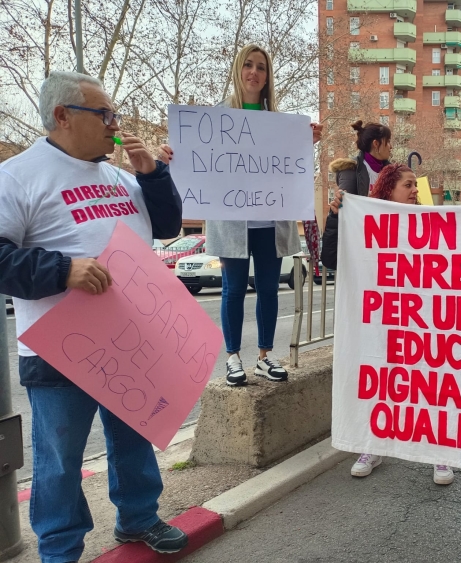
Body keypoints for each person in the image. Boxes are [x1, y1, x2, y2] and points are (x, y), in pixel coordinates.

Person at [0, 71, 187, 562]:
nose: (114, 123)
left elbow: (168, 225)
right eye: (103, 114)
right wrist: (62, 270)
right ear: (62, 116)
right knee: (59, 459)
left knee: (133, 436)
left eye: (114, 114)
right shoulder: (18, 176)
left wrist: (152, 173)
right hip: (60, 350)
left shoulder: (119, 175)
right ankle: (60, 550)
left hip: (129, 339)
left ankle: (138, 517)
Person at [159, 44, 322, 386]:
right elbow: (197, 161)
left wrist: (307, 144)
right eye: (248, 65)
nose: (254, 72)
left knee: (268, 289)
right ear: (238, 70)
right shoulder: (214, 120)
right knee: (233, 290)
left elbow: (287, 166)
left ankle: (264, 356)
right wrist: (174, 155)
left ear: (267, 76)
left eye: (261, 67)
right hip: (232, 222)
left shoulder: (279, 124)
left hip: (270, 222)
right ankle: (233, 357)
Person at [322, 164, 454, 486]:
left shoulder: (429, 224)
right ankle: (372, 445)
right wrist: (337, 218)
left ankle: (438, 452)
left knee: (427, 385)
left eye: (415, 186)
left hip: (421, 322)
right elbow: (330, 259)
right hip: (380, 322)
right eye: (408, 185)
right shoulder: (362, 221)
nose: (414, 191)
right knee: (380, 383)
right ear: (388, 188)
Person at [328, 120, 391, 199]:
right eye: (388, 141)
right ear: (376, 144)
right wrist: (337, 206)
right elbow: (344, 206)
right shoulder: (350, 170)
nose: (391, 146)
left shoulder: (392, 172)